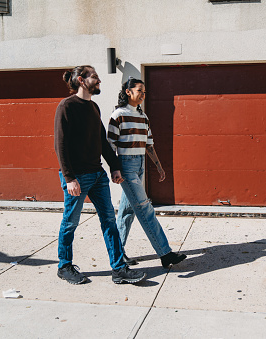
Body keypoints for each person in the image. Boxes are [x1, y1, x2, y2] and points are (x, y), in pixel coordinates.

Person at [54, 66, 146, 285]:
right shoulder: (66, 107)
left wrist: (114, 166)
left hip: (97, 175)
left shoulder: (93, 107)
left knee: (109, 222)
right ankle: (64, 266)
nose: (99, 81)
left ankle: (119, 269)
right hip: (77, 177)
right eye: (94, 77)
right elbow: (60, 145)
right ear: (80, 80)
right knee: (70, 222)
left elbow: (102, 142)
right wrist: (69, 178)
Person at [108, 77, 186, 268]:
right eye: (139, 91)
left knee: (127, 211)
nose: (143, 95)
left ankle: (118, 253)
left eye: (144, 92)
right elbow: (109, 145)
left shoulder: (143, 117)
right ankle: (165, 253)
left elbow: (149, 145)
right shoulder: (118, 115)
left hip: (140, 164)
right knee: (145, 208)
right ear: (128, 92)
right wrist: (114, 169)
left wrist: (158, 166)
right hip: (126, 167)